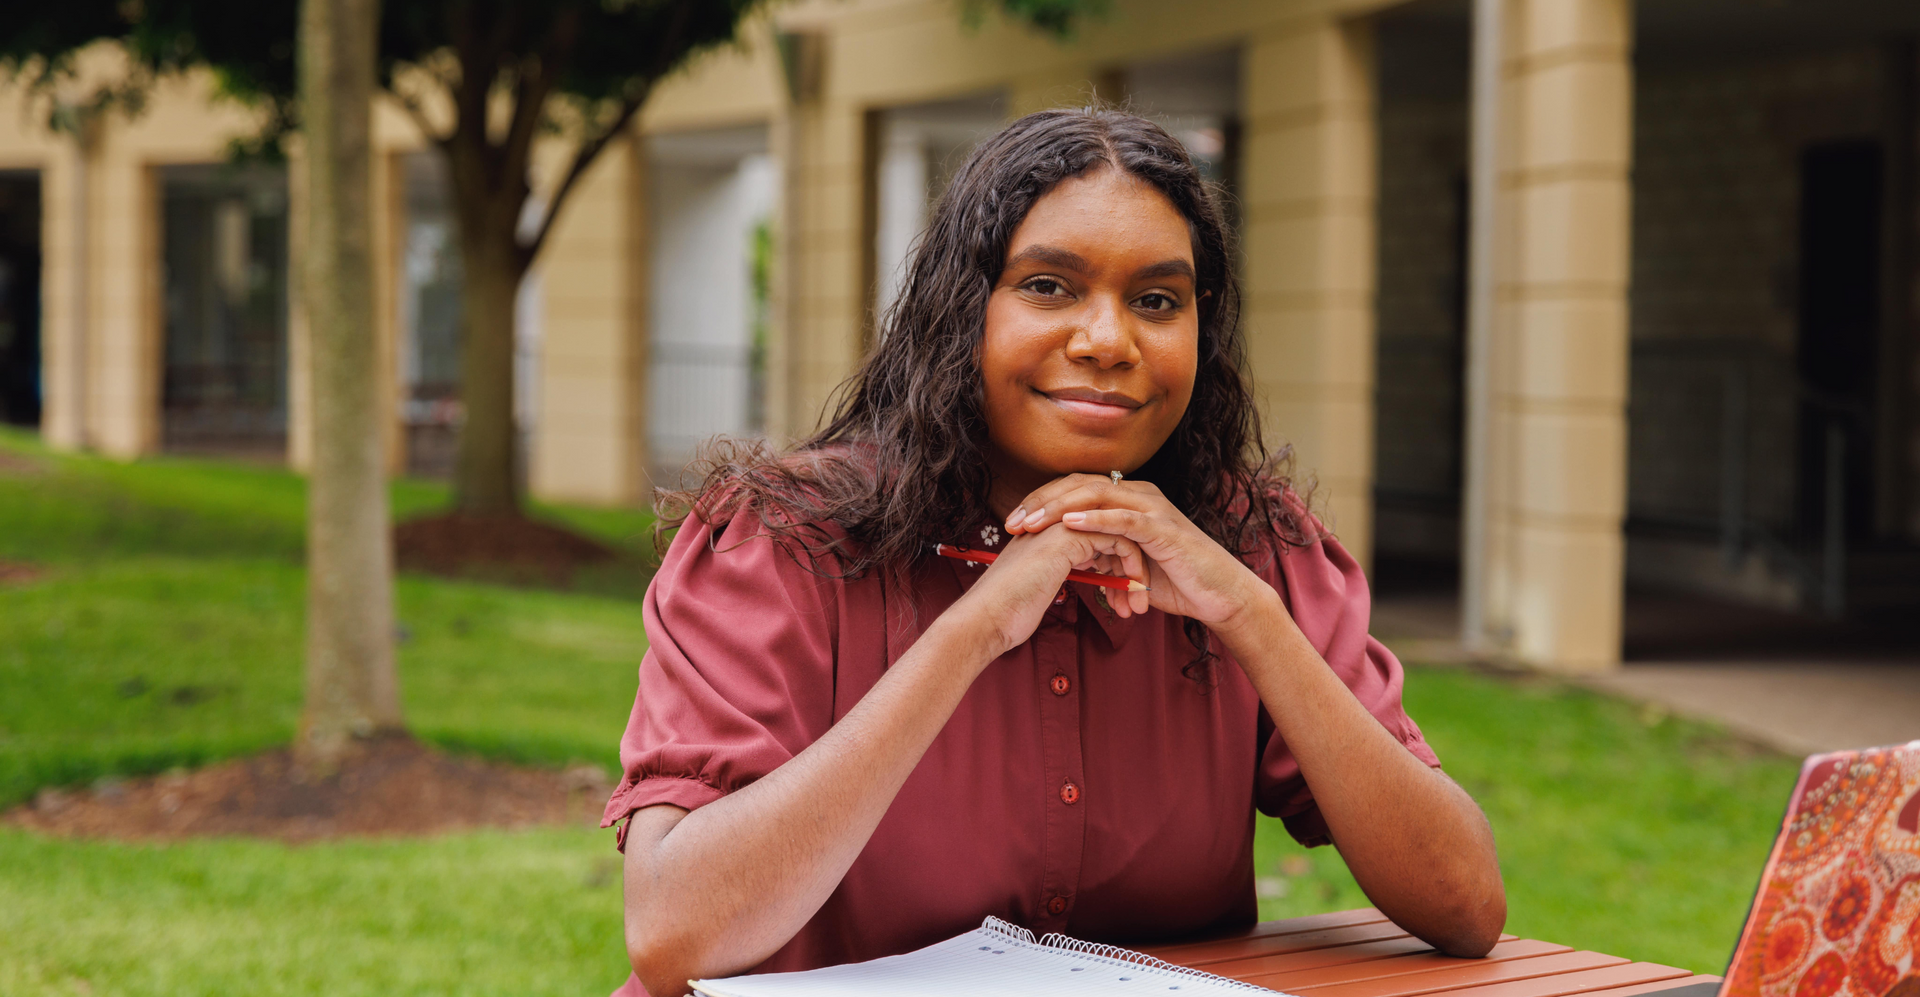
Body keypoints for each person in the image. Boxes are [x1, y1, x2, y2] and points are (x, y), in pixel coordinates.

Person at [603, 108, 1506, 997]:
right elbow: (675, 933)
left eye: (1157, 301)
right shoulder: (784, 542)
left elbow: (1464, 904)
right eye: (1049, 286)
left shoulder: (1248, 551)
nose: (1108, 342)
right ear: (962, 310)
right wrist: (979, 624)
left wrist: (1249, 615)